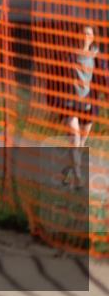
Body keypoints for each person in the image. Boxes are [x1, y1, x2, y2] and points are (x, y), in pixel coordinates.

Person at [63, 24, 99, 188]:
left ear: (93, 38)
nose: (85, 36)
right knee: (75, 141)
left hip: (88, 106)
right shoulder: (68, 55)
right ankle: (78, 179)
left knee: (81, 144)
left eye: (89, 34)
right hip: (69, 103)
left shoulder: (97, 57)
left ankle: (69, 170)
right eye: (83, 33)